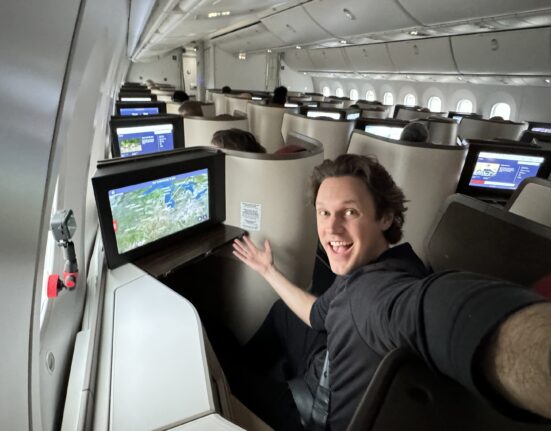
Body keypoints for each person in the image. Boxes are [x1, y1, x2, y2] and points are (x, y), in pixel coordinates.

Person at [215, 154, 551, 430]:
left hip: (312, 416)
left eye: (350, 212)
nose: (331, 228)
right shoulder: (387, 262)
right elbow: (318, 315)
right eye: (324, 212)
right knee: (283, 312)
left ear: (386, 216)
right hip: (327, 362)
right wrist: (267, 270)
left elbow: (439, 310)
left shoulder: (378, 293)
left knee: (218, 359)